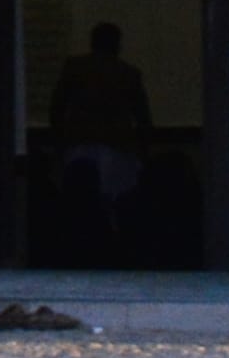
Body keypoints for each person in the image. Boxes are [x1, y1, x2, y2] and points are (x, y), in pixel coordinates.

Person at [47, 20, 157, 247]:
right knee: (115, 202)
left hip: (78, 144)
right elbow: (142, 116)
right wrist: (145, 154)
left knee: (78, 202)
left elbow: (57, 108)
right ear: (117, 44)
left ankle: (77, 244)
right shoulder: (128, 74)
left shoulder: (75, 69)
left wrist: (58, 143)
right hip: (117, 146)